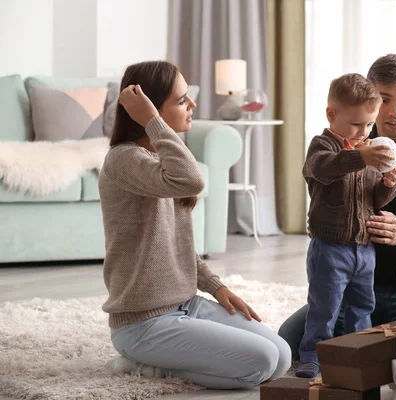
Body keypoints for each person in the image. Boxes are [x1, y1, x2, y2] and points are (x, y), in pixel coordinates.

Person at [99, 61, 291, 389]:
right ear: (149, 110)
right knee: (260, 362)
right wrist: (153, 121)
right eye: (181, 100)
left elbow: (178, 247)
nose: (193, 105)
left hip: (186, 304)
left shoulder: (164, 158)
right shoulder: (124, 160)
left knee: (281, 356)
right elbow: (192, 180)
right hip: (143, 324)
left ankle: (165, 362)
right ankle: (152, 366)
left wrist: (218, 287)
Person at [278, 54, 396, 361]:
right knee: (291, 339)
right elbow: (319, 173)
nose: (395, 112)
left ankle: (376, 342)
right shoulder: (353, 146)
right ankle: (368, 338)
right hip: (359, 286)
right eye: (384, 100)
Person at [296, 73, 396, 378]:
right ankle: (312, 355)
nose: (364, 131)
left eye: (369, 124)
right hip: (329, 249)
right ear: (332, 114)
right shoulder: (322, 147)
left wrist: (388, 185)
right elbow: (325, 169)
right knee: (324, 308)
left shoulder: (367, 150)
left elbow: (375, 199)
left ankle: (360, 354)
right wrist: (361, 156)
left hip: (364, 249)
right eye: (357, 124)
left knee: (362, 306)